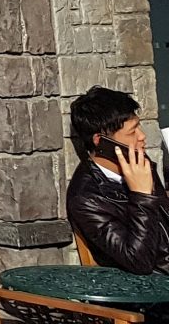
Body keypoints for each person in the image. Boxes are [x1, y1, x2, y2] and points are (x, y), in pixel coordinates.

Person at [66, 85, 169, 273]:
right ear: (101, 141)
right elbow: (139, 261)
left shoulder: (138, 162)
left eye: (139, 126)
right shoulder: (86, 199)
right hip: (152, 285)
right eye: (132, 132)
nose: (142, 136)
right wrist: (142, 195)